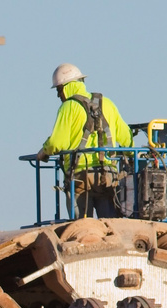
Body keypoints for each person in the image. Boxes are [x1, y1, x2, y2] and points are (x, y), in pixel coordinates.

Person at [35, 63, 132, 219]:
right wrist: (131, 156)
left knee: (81, 229)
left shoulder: (69, 107)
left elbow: (56, 143)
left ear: (66, 87)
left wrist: (43, 152)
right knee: (110, 226)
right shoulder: (107, 103)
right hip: (108, 176)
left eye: (59, 90)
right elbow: (126, 138)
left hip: (80, 178)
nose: (59, 95)